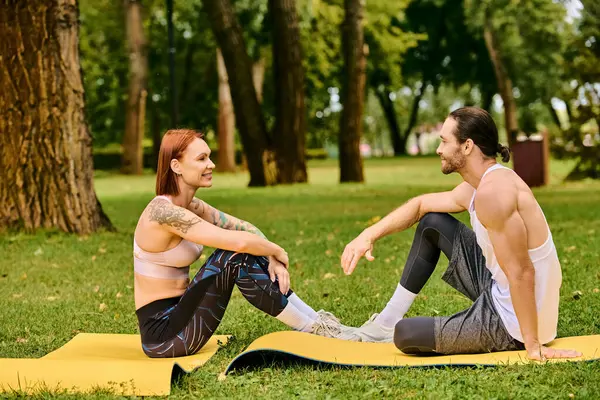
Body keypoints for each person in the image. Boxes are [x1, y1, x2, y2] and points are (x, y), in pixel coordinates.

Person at [340, 107, 582, 361]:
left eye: (445, 141)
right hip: (499, 285)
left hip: (516, 322)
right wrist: (368, 234)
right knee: (432, 223)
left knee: (407, 334)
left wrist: (533, 345)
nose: (439, 149)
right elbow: (421, 205)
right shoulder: (479, 186)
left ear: (467, 146)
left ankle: (395, 328)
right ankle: (384, 325)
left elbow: (522, 272)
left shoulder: (495, 193)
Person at [134, 129, 345, 358]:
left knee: (243, 252)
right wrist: (277, 251)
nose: (211, 164)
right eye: (202, 158)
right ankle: (312, 329)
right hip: (163, 337)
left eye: (209, 156)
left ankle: (318, 322)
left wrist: (270, 256)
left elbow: (245, 228)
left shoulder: (192, 206)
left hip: (183, 316)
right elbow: (239, 243)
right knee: (234, 257)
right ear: (176, 166)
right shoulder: (163, 212)